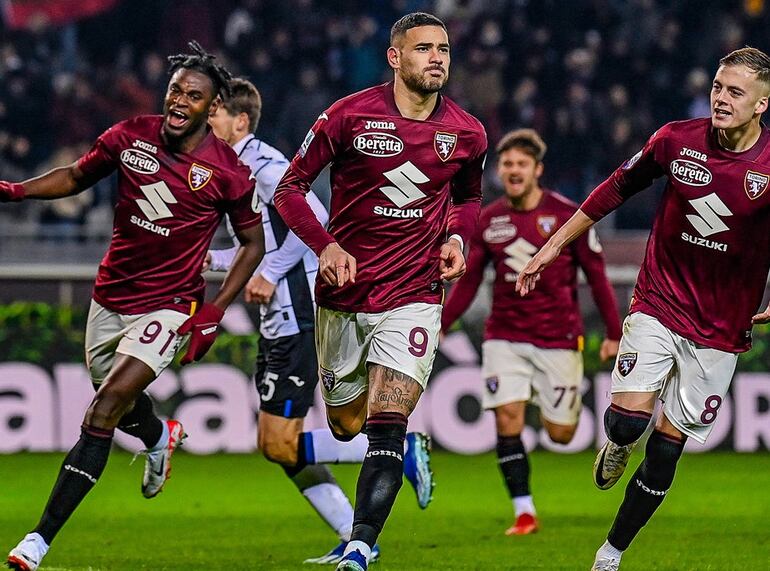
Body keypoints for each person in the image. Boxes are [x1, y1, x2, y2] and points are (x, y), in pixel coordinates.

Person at [1, 42, 264, 571]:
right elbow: (76, 175)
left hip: (169, 305)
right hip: (110, 295)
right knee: (116, 400)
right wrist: (15, 192)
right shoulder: (129, 135)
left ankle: (38, 541)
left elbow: (253, 243)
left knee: (101, 409)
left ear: (212, 108)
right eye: (175, 91)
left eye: (193, 95)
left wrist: (215, 309)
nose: (180, 101)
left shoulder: (229, 172)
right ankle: (158, 436)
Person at [516, 47, 770, 571]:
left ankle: (610, 553)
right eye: (718, 87)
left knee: (666, 451)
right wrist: (552, 247)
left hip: (722, 327)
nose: (720, 99)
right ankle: (615, 444)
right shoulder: (676, 139)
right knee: (630, 424)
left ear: (762, 103)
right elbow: (612, 190)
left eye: (735, 92)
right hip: (660, 300)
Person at [274, 12, 487, 571]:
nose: (437, 58)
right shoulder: (348, 115)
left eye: (443, 48)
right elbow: (289, 189)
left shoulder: (467, 133)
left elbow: (468, 199)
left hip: (415, 292)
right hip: (344, 292)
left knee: (387, 421)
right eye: (423, 49)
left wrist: (459, 239)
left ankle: (361, 545)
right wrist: (325, 247)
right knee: (347, 423)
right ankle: (404, 457)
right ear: (395, 57)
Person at [441, 128, 622, 536]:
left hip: (558, 338)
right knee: (507, 419)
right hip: (504, 336)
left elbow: (597, 277)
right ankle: (524, 512)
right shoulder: (490, 221)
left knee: (561, 434)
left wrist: (614, 332)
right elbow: (469, 283)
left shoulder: (567, 217)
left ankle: (579, 419)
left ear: (537, 170)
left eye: (522, 164)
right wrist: (442, 325)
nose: (514, 170)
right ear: (500, 171)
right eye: (507, 164)